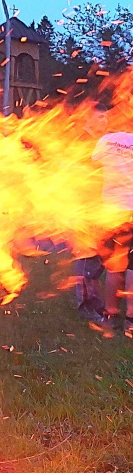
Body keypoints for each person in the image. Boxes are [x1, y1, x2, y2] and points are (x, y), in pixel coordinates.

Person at [92, 118, 133, 338]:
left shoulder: (107, 140)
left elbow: (92, 169)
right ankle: (131, 321)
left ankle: (109, 315)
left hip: (111, 210)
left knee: (114, 266)